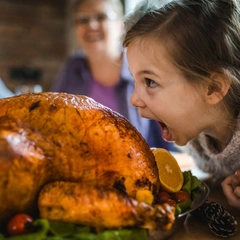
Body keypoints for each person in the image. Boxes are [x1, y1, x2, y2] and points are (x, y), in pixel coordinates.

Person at [122, 0, 240, 208]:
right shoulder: (197, 135)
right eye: (135, 80)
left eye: (150, 81)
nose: (134, 99)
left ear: (213, 88)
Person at [51, 0, 175, 150]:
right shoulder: (72, 68)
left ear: (121, 25)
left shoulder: (143, 68)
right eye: (83, 19)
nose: (91, 25)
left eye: (101, 17)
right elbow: (54, 122)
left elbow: (167, 138)